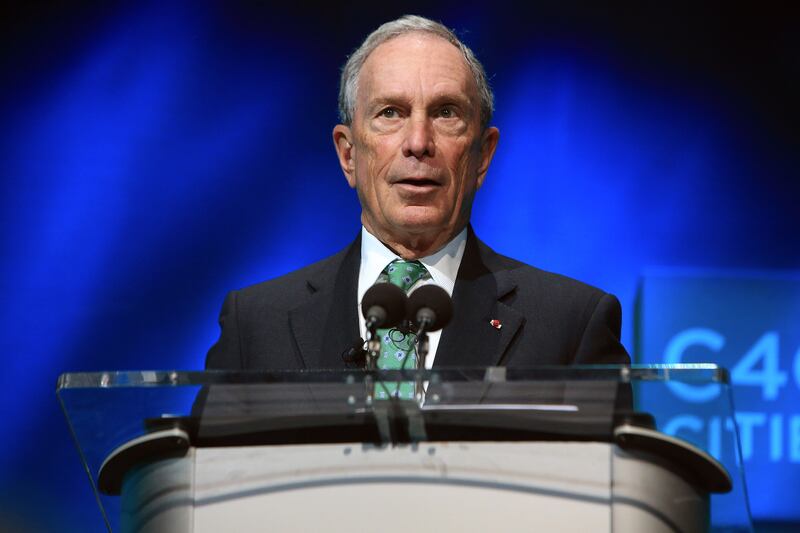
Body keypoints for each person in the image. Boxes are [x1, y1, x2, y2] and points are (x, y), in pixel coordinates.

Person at [205, 15, 630, 371]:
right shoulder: (255, 324)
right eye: (391, 112)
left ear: (483, 155)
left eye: (446, 113)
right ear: (348, 154)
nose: (418, 142)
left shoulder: (572, 324)